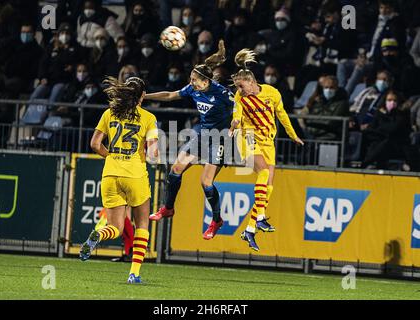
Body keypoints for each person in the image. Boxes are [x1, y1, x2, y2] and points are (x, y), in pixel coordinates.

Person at [143, 40, 234, 240]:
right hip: (203, 134)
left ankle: (216, 220)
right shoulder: (194, 89)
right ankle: (168, 208)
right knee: (175, 169)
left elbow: (241, 111)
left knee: (206, 182)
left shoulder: (222, 94)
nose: (191, 83)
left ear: (206, 81)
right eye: (190, 79)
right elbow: (170, 95)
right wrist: (146, 96)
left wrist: (236, 129)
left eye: (194, 80)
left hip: (221, 139)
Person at [79, 76, 159, 284]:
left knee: (115, 228)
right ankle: (134, 273)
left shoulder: (109, 113)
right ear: (142, 96)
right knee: (142, 224)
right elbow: (153, 152)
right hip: (135, 174)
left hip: (110, 174)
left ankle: (98, 235)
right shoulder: (148, 118)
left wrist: (112, 157)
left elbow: (95, 144)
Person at [229, 49, 304, 251]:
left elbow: (282, 115)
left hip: (267, 141)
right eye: (238, 87)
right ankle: (260, 216)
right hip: (247, 137)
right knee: (263, 172)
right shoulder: (240, 97)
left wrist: (292, 134)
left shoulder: (272, 93)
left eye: (242, 86)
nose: (240, 90)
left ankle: (251, 229)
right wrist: (234, 125)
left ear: (252, 82)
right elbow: (236, 115)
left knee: (269, 185)